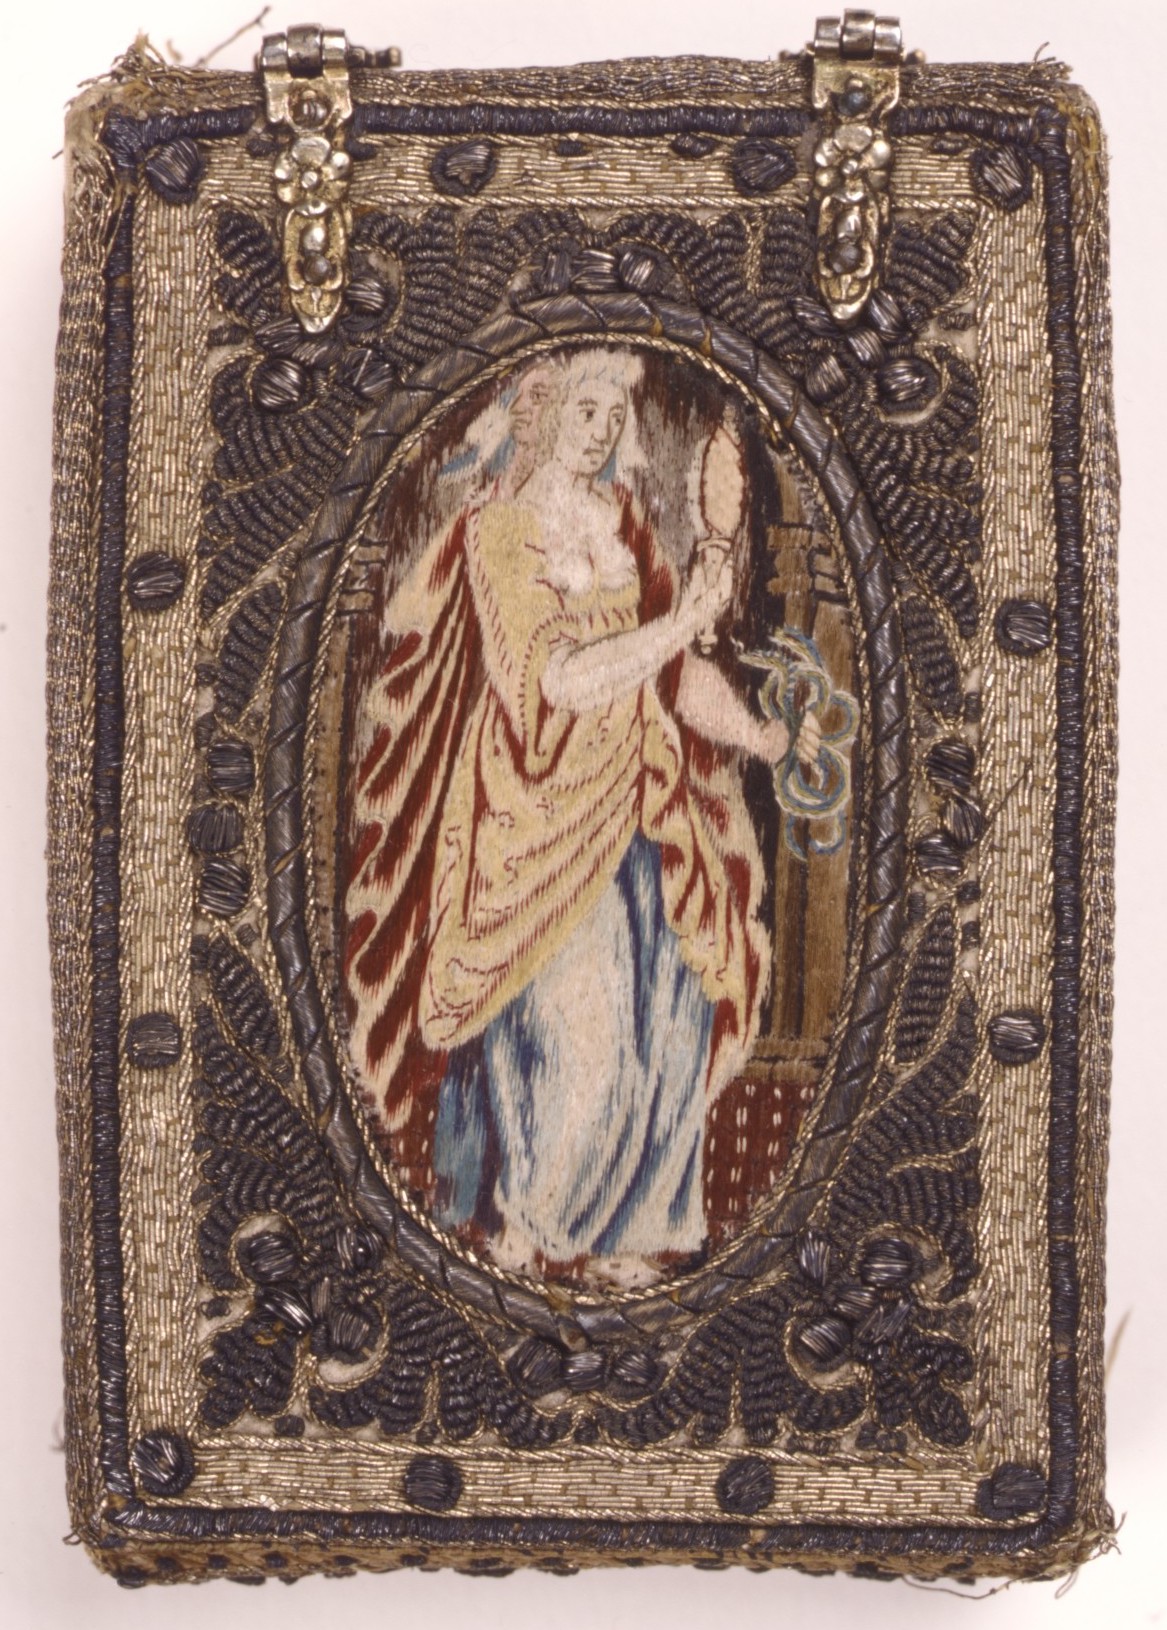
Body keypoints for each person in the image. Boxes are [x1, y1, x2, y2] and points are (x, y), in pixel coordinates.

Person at [343, 348, 820, 1284]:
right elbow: (555, 681)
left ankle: (638, 1231)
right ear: (547, 411)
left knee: (672, 1017)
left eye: (613, 414)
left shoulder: (621, 521)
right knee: (574, 1037)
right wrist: (677, 622)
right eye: (586, 408)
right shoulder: (500, 532)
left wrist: (764, 739)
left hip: (644, 798)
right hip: (540, 810)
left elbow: (674, 676)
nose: (600, 429)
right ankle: (534, 1230)